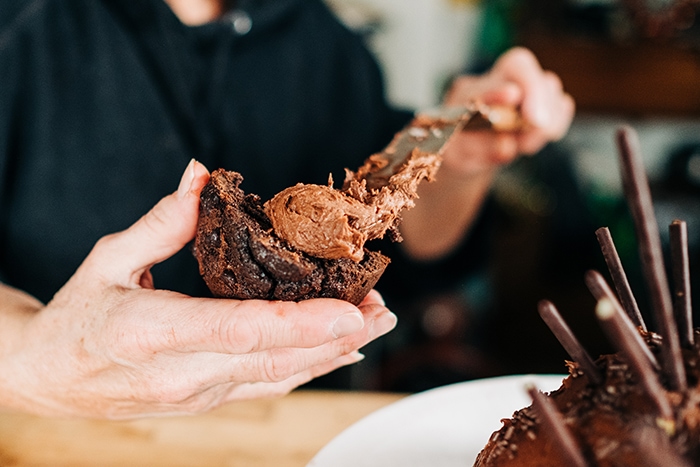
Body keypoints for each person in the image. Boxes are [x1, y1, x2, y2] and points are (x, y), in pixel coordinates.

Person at [0, 0, 574, 419]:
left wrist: (460, 159)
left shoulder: (329, 46)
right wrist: (35, 359)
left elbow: (407, 248)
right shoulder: (22, 31)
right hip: (60, 435)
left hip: (303, 433)